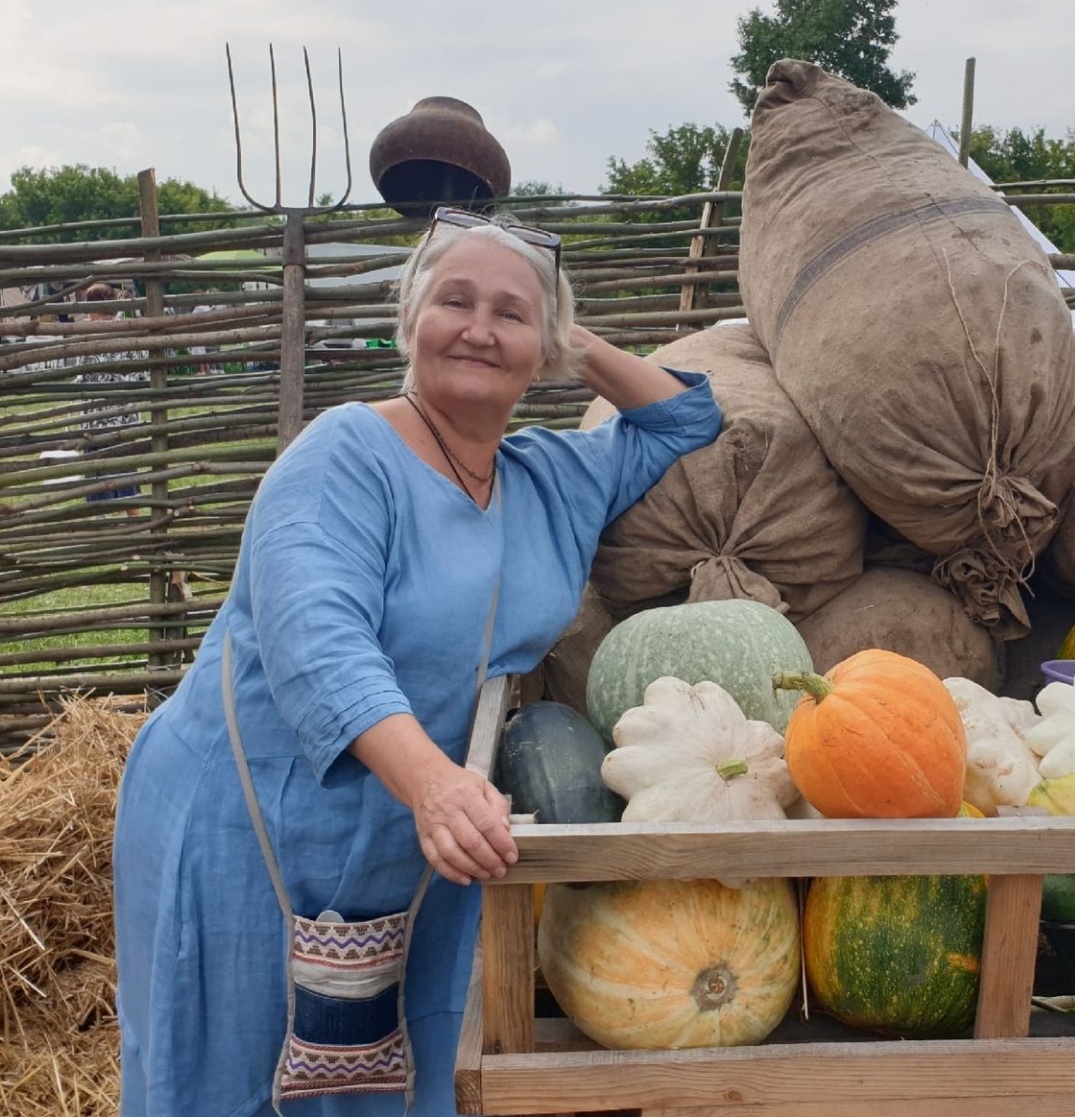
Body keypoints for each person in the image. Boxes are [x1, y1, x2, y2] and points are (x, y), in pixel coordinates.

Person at [112, 209, 721, 1116]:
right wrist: (434, 784)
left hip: (413, 829)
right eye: (454, 301)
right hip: (255, 816)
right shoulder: (343, 455)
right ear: (409, 321)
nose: (478, 328)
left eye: (510, 315)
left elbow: (686, 414)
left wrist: (566, 332)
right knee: (235, 1072)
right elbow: (320, 646)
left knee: (381, 1070)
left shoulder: (553, 476)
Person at [74, 282, 147, 505]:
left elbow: (81, 376)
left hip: (98, 420)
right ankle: (132, 517)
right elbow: (143, 372)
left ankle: (102, 521)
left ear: (94, 308)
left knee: (98, 472)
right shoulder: (129, 331)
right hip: (125, 417)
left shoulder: (90, 336)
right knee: (126, 472)